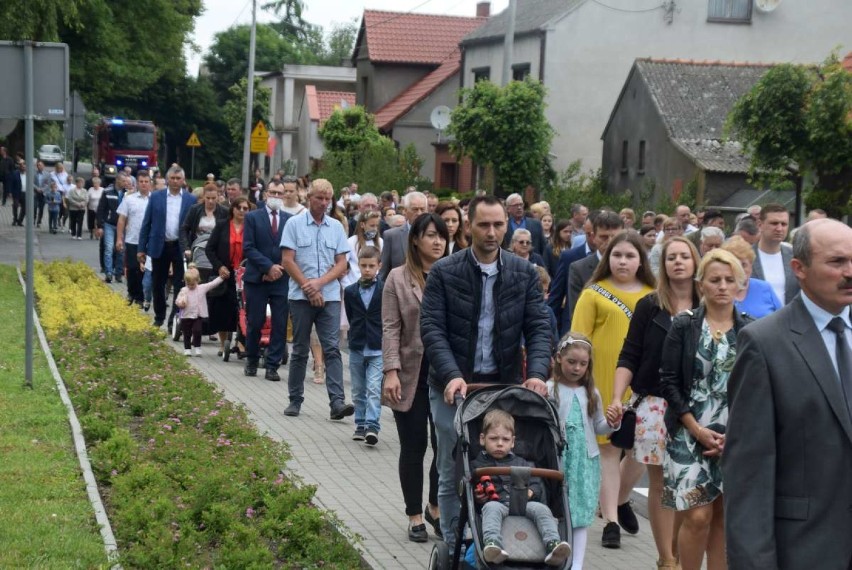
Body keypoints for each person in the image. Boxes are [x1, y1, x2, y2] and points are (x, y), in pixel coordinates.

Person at [420, 194, 552, 548]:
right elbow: (432, 328)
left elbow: (539, 328)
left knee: (503, 462)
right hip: (454, 387)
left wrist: (537, 373)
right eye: (484, 225)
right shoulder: (445, 272)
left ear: (507, 225)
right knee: (452, 468)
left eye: (498, 224)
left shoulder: (523, 274)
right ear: (468, 226)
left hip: (502, 388)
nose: (492, 232)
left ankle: (500, 540)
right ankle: (452, 542)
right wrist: (451, 375)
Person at [724, 218, 852, 570]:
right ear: (799, 269)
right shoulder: (765, 345)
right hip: (806, 550)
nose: (850, 272)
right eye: (837, 262)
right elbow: (748, 474)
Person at [608, 236, 701, 568]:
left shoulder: (707, 306)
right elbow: (629, 354)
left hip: (697, 407)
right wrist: (618, 398)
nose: (678, 262)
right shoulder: (650, 305)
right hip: (654, 405)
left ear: (695, 262)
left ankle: (678, 548)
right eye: (671, 257)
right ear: (663, 265)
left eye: (684, 256)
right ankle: (666, 559)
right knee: (662, 483)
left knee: (687, 483)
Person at [659, 249, 752, 570]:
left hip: (733, 435)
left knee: (723, 517)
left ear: (741, 286)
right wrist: (697, 429)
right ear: (702, 285)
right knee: (698, 515)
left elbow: (755, 389)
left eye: (730, 280)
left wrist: (733, 437)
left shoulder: (751, 332)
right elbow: (668, 381)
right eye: (715, 280)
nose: (722, 286)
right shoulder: (684, 326)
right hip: (688, 431)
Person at [570, 230, 655, 548]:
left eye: (630, 255)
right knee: (608, 449)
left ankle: (619, 499)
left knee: (641, 451)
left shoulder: (654, 295)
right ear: (608, 258)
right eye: (617, 255)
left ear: (641, 260)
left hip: (643, 383)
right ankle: (611, 522)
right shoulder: (594, 293)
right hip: (603, 380)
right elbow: (578, 339)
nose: (623, 261)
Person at [382, 213, 446, 542]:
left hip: (446, 374)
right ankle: (414, 514)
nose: (438, 242)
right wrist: (391, 371)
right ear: (416, 240)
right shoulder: (397, 278)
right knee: (414, 445)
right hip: (410, 373)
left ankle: (436, 506)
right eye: (431, 235)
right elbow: (391, 328)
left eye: (442, 236)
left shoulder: (454, 274)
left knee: (445, 445)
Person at [280, 179, 355, 419]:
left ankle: (337, 402)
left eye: (327, 199)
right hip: (300, 297)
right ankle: (295, 400)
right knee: (300, 348)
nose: (324, 203)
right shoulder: (294, 224)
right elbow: (288, 260)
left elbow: (342, 263)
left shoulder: (336, 227)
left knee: (332, 348)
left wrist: (320, 284)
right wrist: (308, 287)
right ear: (309, 198)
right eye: (319, 198)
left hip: (330, 296)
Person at [549, 333, 617, 570]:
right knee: (558, 511)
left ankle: (576, 565)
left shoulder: (592, 393)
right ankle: (557, 558)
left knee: (579, 517)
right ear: (559, 359)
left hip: (584, 461)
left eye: (582, 363)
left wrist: (613, 423)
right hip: (560, 460)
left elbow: (598, 426)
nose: (577, 368)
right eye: (571, 362)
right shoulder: (550, 389)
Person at [472, 409, 572, 567]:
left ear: (512, 442)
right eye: (493, 438)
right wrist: (478, 497)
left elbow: (536, 484)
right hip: (497, 504)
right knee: (490, 508)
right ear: (482, 439)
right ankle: (493, 545)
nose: (499, 443)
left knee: (542, 510)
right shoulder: (478, 464)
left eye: (505, 440)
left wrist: (531, 491)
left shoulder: (522, 463)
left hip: (524, 503)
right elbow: (473, 492)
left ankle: (553, 544)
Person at [137, 165, 197, 328]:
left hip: (180, 246)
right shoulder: (156, 197)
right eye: (173, 178)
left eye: (179, 179)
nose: (176, 181)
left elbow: (193, 227)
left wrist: (191, 247)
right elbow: (146, 223)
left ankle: (174, 319)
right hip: (159, 245)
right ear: (167, 180)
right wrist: (141, 248)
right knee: (158, 283)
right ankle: (159, 316)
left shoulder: (191, 199)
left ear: (183, 180)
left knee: (179, 284)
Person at [240, 185, 290, 380]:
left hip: (281, 278)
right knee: (255, 321)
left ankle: (272, 365)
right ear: (267, 194)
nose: (276, 196)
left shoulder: (289, 220)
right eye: (273, 192)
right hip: (257, 279)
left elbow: (291, 249)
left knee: (279, 323)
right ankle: (251, 359)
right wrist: (268, 268)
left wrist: (278, 269)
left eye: (280, 193)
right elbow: (249, 248)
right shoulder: (253, 217)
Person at [342, 246, 385, 446]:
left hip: (378, 346)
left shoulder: (385, 289)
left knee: (374, 388)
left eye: (371, 266)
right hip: (358, 344)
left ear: (379, 266)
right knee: (359, 389)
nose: (367, 270)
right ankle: (360, 423)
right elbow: (352, 316)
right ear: (358, 266)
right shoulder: (350, 292)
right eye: (363, 266)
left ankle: (372, 426)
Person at [205, 197, 251, 357]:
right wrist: (219, 267)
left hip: (244, 274)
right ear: (233, 209)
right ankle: (222, 342)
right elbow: (209, 249)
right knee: (222, 309)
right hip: (225, 273)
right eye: (239, 208)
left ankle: (241, 342)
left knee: (243, 310)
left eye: (246, 208)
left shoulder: (252, 227)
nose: (242, 211)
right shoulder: (222, 225)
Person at [565, 211, 625, 333]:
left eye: (615, 237)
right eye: (604, 237)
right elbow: (577, 315)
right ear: (593, 237)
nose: (610, 241)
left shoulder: (635, 267)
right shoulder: (579, 269)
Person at [720, 235, 782, 319]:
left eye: (744, 265)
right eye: (735, 265)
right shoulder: (720, 291)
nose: (740, 270)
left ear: (751, 265)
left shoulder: (765, 288)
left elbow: (783, 319)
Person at [115, 170, 153, 308]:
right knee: (132, 268)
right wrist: (119, 238)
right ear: (137, 183)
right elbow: (121, 219)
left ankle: (141, 297)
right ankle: (132, 292)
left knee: (145, 269)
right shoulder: (129, 199)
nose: (144, 184)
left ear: (150, 184)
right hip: (132, 239)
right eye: (141, 182)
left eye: (146, 182)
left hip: (149, 241)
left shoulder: (154, 199)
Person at [751, 203, 799, 304]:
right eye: (774, 223)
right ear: (760, 225)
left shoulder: (796, 256)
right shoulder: (745, 257)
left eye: (784, 224)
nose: (779, 228)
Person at [174, 265, 224, 356]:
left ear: (197, 281)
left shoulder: (201, 288)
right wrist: (180, 303)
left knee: (197, 331)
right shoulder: (184, 290)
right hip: (186, 315)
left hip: (198, 315)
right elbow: (178, 300)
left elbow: (212, 284)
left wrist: (221, 278)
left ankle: (197, 347)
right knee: (187, 333)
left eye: (192, 284)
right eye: (188, 284)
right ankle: (187, 348)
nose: (190, 286)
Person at [380, 191, 428, 280]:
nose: (419, 213)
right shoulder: (391, 236)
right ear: (405, 211)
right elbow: (384, 272)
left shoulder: (435, 236)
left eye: (423, 209)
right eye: (415, 209)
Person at [180, 184, 228, 264]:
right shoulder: (194, 209)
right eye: (208, 198)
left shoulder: (224, 212)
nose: (210, 201)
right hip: (197, 248)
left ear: (218, 197)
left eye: (213, 198)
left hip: (216, 250)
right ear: (203, 197)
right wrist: (186, 248)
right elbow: (184, 229)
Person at [96, 173, 127, 284]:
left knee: (121, 250)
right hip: (109, 224)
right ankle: (108, 273)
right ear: (118, 180)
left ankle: (118, 274)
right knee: (108, 248)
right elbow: (101, 209)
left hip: (122, 225)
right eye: (124, 181)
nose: (125, 183)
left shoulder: (127, 194)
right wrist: (100, 226)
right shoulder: (107, 192)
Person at [503, 193, 546, 258]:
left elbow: (543, 247)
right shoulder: (504, 225)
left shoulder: (536, 224)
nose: (519, 207)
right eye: (516, 205)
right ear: (508, 208)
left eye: (521, 204)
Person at [33, 160, 49, 228]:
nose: (39, 166)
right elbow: (31, 182)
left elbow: (48, 184)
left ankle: (39, 221)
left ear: (43, 166)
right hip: (35, 193)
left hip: (43, 193)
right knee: (34, 207)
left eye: (41, 165)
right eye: (38, 165)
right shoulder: (33, 173)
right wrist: (37, 188)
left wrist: (42, 189)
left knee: (41, 208)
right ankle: (33, 220)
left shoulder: (47, 174)